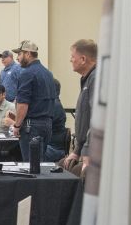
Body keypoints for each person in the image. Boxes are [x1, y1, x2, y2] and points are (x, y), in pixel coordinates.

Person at [8, 40, 56, 163]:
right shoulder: (48, 74)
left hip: (31, 126)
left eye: (19, 54)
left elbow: (23, 104)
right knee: (40, 165)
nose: (17, 58)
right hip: (47, 125)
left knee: (31, 167)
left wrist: (17, 126)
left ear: (28, 54)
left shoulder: (27, 74)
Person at [60, 39, 97, 176]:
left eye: (72, 57)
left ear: (82, 59)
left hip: (96, 152)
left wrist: (87, 152)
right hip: (86, 149)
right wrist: (76, 151)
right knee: (61, 167)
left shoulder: (96, 79)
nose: (71, 60)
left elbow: (98, 119)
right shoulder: (87, 79)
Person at [46, 79, 70, 163]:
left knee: (24, 150)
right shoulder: (53, 104)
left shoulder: (53, 106)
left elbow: (41, 127)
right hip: (51, 146)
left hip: (53, 149)